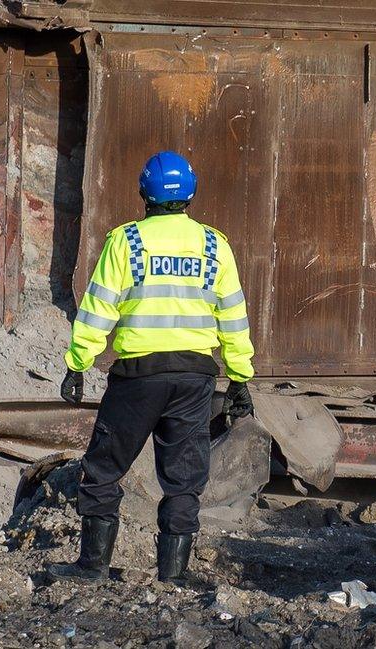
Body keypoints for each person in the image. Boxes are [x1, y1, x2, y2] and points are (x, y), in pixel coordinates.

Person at [49, 151, 255, 583]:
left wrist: (77, 363)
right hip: (194, 378)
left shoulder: (126, 242)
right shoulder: (215, 245)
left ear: (144, 191)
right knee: (183, 478)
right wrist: (239, 377)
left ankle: (92, 566)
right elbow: (233, 317)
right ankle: (174, 574)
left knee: (104, 467)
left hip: (138, 377)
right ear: (192, 194)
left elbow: (98, 308)